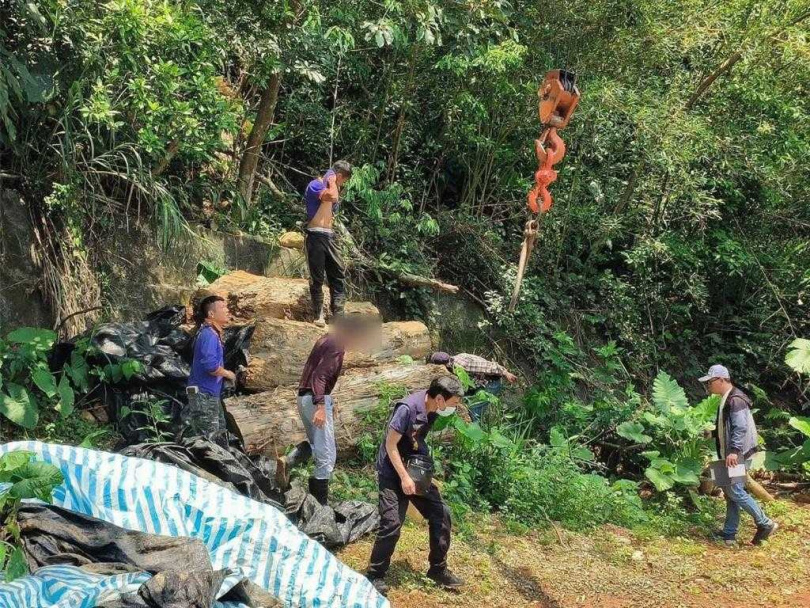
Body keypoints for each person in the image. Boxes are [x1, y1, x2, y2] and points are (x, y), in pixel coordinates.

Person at [366, 376, 465, 596]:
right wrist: (404, 477)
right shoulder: (407, 408)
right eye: (454, 403)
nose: (454, 408)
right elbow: (390, 444)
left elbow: (416, 439)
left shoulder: (433, 409)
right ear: (440, 398)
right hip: (392, 471)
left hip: (414, 469)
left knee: (441, 513)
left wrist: (422, 471)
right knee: (392, 523)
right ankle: (374, 575)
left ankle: (437, 570)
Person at [286, 313, 375, 505]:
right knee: (327, 455)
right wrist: (321, 405)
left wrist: (327, 400)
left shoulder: (325, 339)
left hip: (304, 398)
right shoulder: (337, 345)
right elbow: (319, 376)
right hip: (314, 400)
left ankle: (290, 460)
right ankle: (320, 507)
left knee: (319, 447)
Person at [701, 364, 778, 546]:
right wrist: (712, 434)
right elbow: (729, 426)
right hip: (729, 453)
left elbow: (741, 427)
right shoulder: (726, 398)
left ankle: (765, 523)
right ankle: (729, 533)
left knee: (735, 490)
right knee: (730, 491)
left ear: (721, 380)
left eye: (710, 382)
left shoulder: (736, 399)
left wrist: (734, 451)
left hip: (737, 454)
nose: (708, 386)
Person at [304, 160, 353, 327]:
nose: (341, 185)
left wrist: (334, 184)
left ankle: (338, 315)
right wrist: (332, 181)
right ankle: (318, 314)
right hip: (316, 235)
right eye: (342, 181)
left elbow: (333, 200)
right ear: (339, 176)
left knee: (337, 274)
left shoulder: (331, 188)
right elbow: (332, 196)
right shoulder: (315, 185)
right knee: (317, 277)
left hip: (330, 237)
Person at [185, 295, 236, 436]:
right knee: (208, 442)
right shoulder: (208, 335)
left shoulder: (212, 333)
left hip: (210, 395)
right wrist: (228, 374)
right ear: (211, 314)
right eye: (222, 307)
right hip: (203, 396)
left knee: (219, 436)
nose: (227, 310)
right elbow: (210, 366)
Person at [429, 351, 517, 420]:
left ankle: (476, 434)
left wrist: (506, 373)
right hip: (477, 384)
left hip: (490, 384)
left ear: (443, 365)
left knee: (474, 410)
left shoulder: (463, 364)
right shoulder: (449, 365)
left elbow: (489, 366)